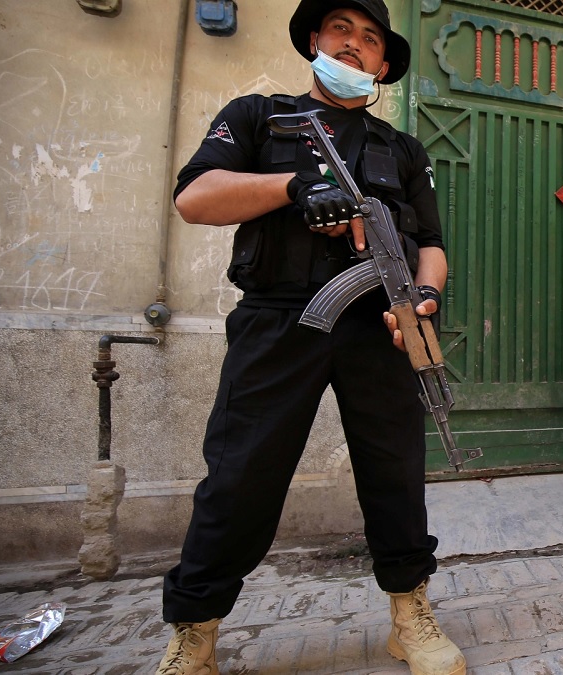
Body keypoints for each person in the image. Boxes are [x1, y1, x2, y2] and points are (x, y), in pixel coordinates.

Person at [159, 2, 465, 674]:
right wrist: (291, 186)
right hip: (278, 320)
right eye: (341, 31)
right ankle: (195, 629)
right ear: (315, 41)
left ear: (384, 65)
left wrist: (424, 296)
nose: (353, 45)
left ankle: (409, 612)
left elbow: (434, 245)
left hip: (383, 321)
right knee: (241, 477)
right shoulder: (256, 116)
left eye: (370, 38)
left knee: (396, 475)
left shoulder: (403, 149)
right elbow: (195, 197)